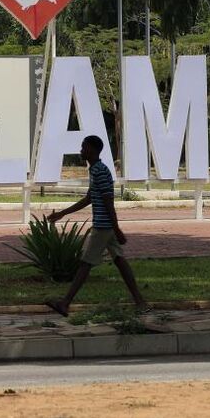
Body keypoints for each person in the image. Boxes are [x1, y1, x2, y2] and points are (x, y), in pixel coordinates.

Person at [44, 135, 149, 317]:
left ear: (92, 150)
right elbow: (89, 199)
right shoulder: (95, 170)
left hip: (103, 227)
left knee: (85, 264)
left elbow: (109, 203)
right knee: (120, 261)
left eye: (84, 147)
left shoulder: (100, 171)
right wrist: (62, 213)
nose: (81, 150)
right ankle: (140, 302)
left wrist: (116, 229)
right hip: (107, 226)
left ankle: (65, 303)